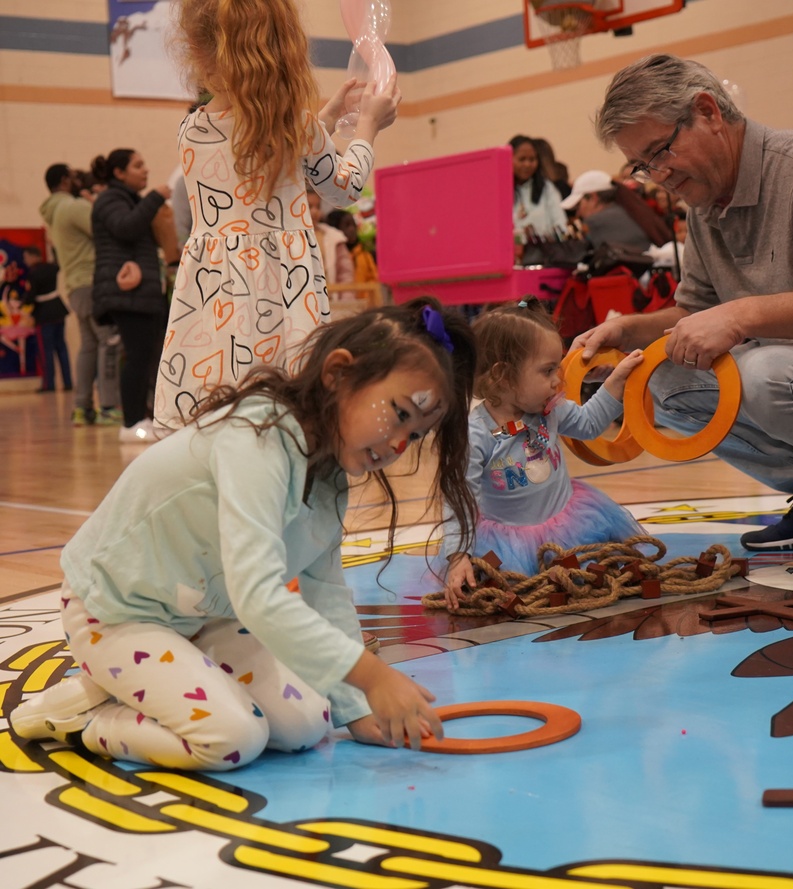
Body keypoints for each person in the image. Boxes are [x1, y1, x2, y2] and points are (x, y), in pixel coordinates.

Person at [9, 299, 477, 769]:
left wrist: (356, 710)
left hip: (200, 619)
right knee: (232, 738)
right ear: (338, 374)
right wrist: (373, 676)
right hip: (114, 610)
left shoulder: (332, 474)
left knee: (309, 723)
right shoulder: (258, 436)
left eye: (415, 436)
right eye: (398, 414)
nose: (399, 445)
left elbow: (326, 592)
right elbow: (257, 594)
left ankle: (159, 677)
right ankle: (85, 718)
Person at [573, 54, 793, 565]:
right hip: (792, 376)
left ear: (708, 111)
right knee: (656, 373)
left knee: (763, 372)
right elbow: (694, 312)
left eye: (659, 151)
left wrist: (741, 318)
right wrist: (630, 330)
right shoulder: (704, 203)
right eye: (643, 165)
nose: (657, 175)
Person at [153, 0, 401, 431]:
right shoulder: (294, 127)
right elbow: (341, 188)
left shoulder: (191, 129)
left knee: (220, 397)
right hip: (277, 284)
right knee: (281, 403)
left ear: (196, 49)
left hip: (214, 290)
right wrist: (367, 129)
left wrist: (325, 117)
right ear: (283, 50)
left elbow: (269, 154)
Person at [440, 297, 645, 607]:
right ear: (502, 376)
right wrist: (458, 558)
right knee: (508, 587)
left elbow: (588, 424)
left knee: (595, 571)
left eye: (557, 368)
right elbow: (459, 500)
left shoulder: (551, 409)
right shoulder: (475, 434)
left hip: (570, 526)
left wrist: (617, 380)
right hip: (508, 542)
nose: (557, 380)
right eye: (548, 370)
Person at [89, 149, 172, 443]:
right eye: (138, 165)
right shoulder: (110, 199)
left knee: (147, 356)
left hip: (142, 293)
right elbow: (126, 228)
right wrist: (156, 197)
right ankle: (132, 423)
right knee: (137, 357)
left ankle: (144, 417)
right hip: (126, 293)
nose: (145, 170)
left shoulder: (128, 199)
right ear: (119, 173)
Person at [39, 163, 121, 426]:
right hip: (92, 283)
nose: (79, 180)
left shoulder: (53, 212)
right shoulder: (73, 207)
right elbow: (108, 228)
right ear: (64, 181)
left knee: (89, 346)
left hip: (75, 287)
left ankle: (81, 408)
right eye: (74, 177)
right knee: (109, 341)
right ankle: (109, 407)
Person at [561, 169, 672, 253]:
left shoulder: (595, 221)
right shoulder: (627, 210)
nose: (578, 213)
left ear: (593, 198)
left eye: (579, 205)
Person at [21, 246, 72, 393]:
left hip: (44, 315)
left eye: (26, 257)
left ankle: (48, 384)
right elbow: (59, 261)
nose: (25, 261)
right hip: (58, 311)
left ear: (33, 256)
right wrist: (54, 246)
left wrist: (22, 302)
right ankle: (67, 382)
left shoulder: (33, 274)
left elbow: (31, 296)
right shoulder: (51, 268)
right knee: (62, 348)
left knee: (46, 351)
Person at [510, 135, 567, 243]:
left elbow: (560, 223)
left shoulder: (547, 188)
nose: (527, 164)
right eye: (522, 159)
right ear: (509, 158)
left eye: (532, 159)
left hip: (545, 252)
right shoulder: (500, 190)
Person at [307, 187, 355, 299]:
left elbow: (345, 275)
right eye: (309, 206)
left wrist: (345, 304)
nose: (314, 212)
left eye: (317, 207)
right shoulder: (289, 239)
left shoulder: (334, 238)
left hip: (331, 303)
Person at [328, 209, 380, 292]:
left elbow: (374, 280)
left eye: (353, 225)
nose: (352, 229)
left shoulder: (364, 254)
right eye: (347, 225)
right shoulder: (332, 256)